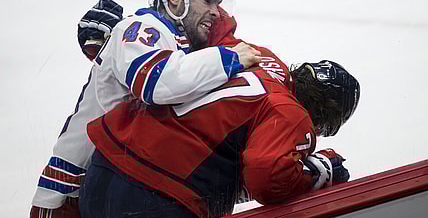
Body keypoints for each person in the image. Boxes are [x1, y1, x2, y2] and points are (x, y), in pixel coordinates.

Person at [30, 0, 262, 218]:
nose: (216, 11)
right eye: (207, 0)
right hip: (72, 193)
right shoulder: (141, 28)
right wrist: (228, 58)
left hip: (112, 181)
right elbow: (155, 82)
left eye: (219, 3)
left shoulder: (179, 45)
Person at [79, 38, 360, 217]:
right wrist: (316, 172)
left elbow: (213, 33)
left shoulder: (259, 54)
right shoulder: (292, 114)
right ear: (324, 114)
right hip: (159, 195)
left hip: (103, 168)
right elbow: (267, 175)